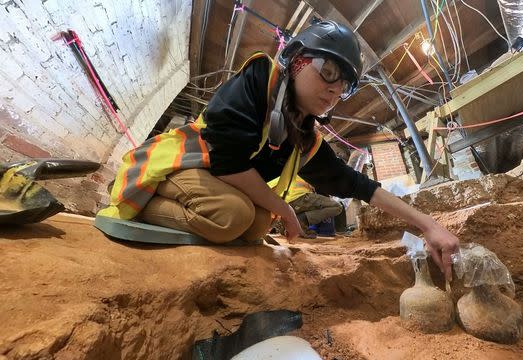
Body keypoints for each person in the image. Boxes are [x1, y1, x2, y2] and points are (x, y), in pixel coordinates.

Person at [98, 20, 459, 281]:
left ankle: (196, 217)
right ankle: (143, 206)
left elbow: (354, 184)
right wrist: (285, 209)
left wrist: (427, 225)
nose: (334, 89)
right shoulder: (258, 80)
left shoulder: (302, 136)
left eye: (344, 85)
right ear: (298, 60)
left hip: (208, 186)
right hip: (173, 168)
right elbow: (227, 162)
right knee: (235, 215)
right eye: (328, 70)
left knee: (256, 224)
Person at [267, 175, 343, 238]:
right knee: (337, 207)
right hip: (301, 198)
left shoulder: (273, 177)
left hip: (284, 207)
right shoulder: (304, 172)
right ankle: (303, 219)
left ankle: (291, 225)